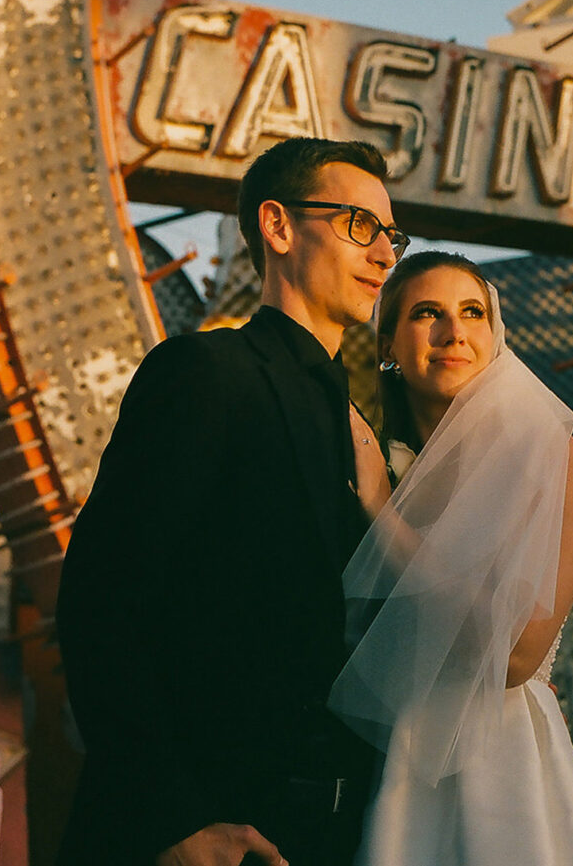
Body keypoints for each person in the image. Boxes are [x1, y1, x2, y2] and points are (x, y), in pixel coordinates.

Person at [58, 137, 404, 866]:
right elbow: (100, 602)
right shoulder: (203, 374)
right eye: (359, 226)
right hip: (203, 833)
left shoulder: (364, 429)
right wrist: (173, 820)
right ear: (278, 227)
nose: (384, 255)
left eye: (392, 234)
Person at [329, 252, 573, 865]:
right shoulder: (386, 462)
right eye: (428, 313)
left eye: (472, 312)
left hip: (497, 766)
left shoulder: (545, 457)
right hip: (394, 761)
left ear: (493, 334)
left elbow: (513, 655)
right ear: (388, 345)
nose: (454, 332)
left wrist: (381, 513)